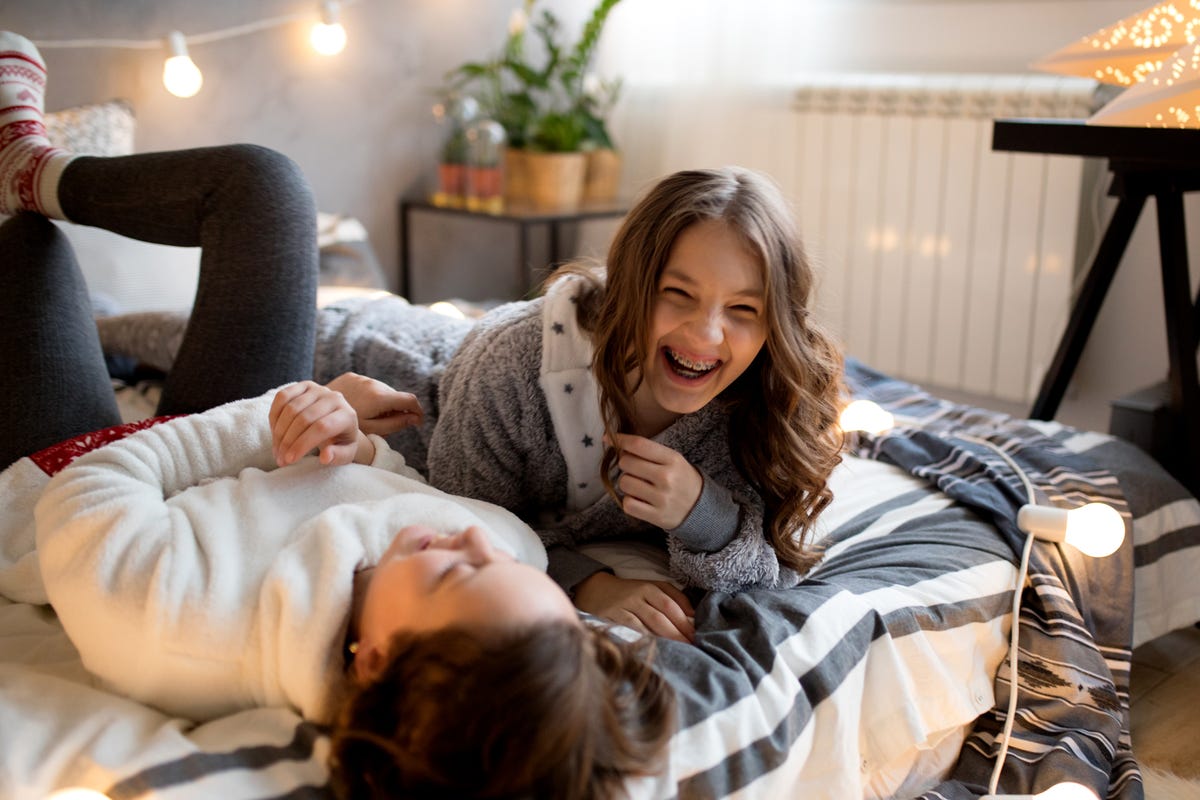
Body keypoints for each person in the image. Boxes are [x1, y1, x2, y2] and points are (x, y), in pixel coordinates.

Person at [0, 31, 673, 800]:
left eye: (456, 568)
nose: (468, 535)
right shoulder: (499, 555)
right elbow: (384, 483)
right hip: (240, 439)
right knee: (268, 187)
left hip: (74, 470)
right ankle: (33, 168)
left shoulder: (169, 622)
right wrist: (345, 440)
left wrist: (264, 425)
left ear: (375, 658)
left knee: (29, 250)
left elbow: (91, 487)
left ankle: (32, 215)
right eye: (495, 559)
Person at [425, 166, 847, 643]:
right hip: (398, 361)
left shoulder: (766, 402)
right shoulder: (511, 368)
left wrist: (704, 516)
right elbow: (460, 527)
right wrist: (585, 583)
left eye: (744, 310)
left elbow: (774, 573)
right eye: (677, 294)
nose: (706, 333)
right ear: (629, 286)